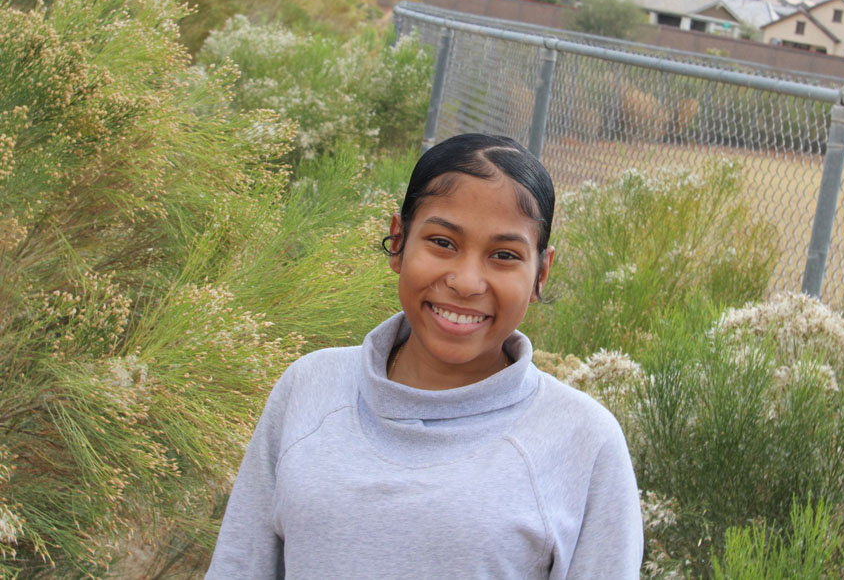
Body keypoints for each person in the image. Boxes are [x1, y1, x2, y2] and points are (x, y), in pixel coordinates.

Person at [206, 133, 643, 579]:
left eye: (504, 255)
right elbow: (240, 565)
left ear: (541, 273)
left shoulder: (583, 441)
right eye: (443, 243)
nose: (467, 281)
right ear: (398, 241)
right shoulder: (311, 387)